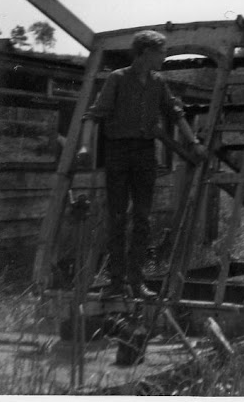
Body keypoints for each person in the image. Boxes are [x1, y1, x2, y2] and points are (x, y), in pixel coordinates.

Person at [77, 30, 206, 298]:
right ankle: (115, 282)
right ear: (146, 52)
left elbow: (175, 112)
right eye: (161, 52)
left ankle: (137, 282)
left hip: (145, 153)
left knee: (143, 219)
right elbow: (93, 115)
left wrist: (193, 142)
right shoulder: (118, 79)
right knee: (117, 217)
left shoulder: (158, 82)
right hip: (119, 153)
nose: (164, 57)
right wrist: (85, 146)